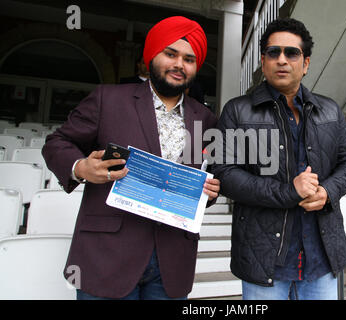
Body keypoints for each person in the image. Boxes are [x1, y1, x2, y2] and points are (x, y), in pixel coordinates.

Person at [42, 16, 220, 300]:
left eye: (189, 59)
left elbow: (202, 177)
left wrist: (209, 193)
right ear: (151, 56)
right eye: (170, 54)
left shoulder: (206, 118)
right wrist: (81, 167)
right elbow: (57, 142)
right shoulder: (108, 99)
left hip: (172, 260)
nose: (179, 65)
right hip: (107, 255)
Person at [211, 18, 346, 300]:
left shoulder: (330, 110)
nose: (282, 60)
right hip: (263, 259)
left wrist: (328, 192)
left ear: (305, 63)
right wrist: (288, 191)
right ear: (263, 61)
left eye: (291, 53)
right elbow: (224, 173)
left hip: (322, 256)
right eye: (273, 52)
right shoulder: (237, 111)